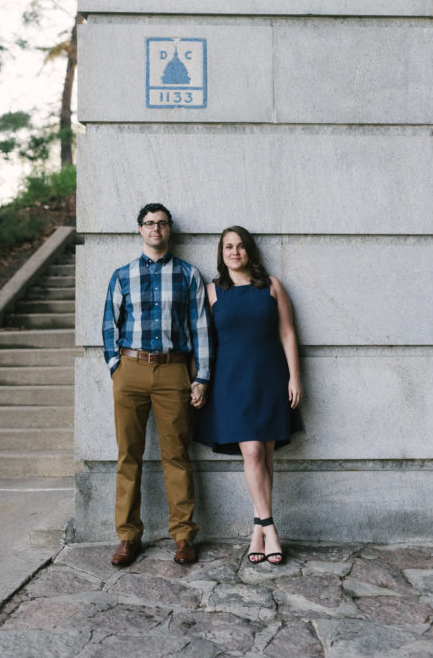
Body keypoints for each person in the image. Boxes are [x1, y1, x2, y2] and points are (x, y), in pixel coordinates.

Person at [102, 203, 212, 567]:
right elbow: (109, 326)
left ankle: (183, 537)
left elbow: (200, 328)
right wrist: (116, 365)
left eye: (162, 224)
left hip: (172, 371)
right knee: (128, 455)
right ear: (140, 230)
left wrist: (201, 377)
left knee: (177, 455)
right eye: (149, 224)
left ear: (169, 230)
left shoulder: (188, 274)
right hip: (130, 370)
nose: (156, 230)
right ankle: (128, 537)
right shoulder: (122, 275)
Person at [195, 226, 302, 565]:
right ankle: (270, 526)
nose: (235, 252)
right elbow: (203, 342)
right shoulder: (212, 291)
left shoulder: (271, 285)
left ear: (249, 251)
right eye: (228, 247)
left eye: (240, 246)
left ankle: (258, 528)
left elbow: (287, 332)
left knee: (267, 454)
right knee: (253, 452)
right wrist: (201, 381)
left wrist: (295, 377)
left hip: (269, 376)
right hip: (231, 381)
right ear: (221, 253)